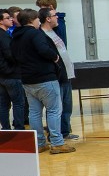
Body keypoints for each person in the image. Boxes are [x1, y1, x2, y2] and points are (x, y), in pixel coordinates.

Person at [11, 8, 73, 153]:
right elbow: (44, 50)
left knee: (34, 112)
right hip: (45, 78)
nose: (39, 21)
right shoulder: (35, 33)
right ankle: (57, 143)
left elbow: (14, 56)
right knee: (53, 111)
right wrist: (55, 57)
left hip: (27, 79)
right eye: (38, 19)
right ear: (32, 20)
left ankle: (39, 143)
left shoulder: (16, 36)